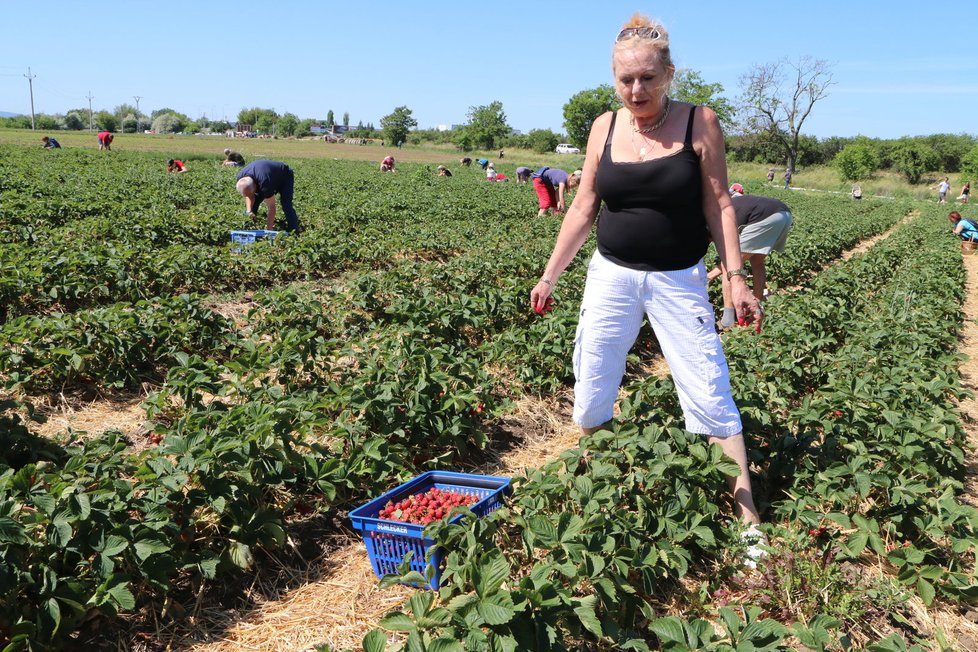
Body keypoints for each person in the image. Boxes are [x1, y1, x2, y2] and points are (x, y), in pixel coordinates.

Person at [529, 13, 765, 561]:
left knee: (708, 388)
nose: (637, 90)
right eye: (626, 79)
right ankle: (595, 496)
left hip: (679, 279)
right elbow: (584, 206)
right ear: (614, 79)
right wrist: (549, 274)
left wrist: (734, 279)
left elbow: (719, 204)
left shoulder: (698, 122)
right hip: (611, 273)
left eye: (648, 79)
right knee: (593, 376)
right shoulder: (603, 127)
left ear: (669, 74)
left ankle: (748, 523)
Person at [706, 184, 792, 329]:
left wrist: (708, 276)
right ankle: (757, 307)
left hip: (765, 217)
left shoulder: (713, 218)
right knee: (757, 262)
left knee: (730, 266)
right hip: (784, 214)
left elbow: (727, 252)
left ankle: (728, 320)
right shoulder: (728, 205)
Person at [235, 160, 300, 233]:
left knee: (286, 204)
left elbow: (271, 207)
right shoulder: (241, 179)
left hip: (285, 176)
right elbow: (248, 195)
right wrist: (249, 211)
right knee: (253, 206)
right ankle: (248, 228)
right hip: (268, 175)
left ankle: (294, 231)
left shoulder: (264, 183)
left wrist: (269, 231)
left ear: (256, 187)